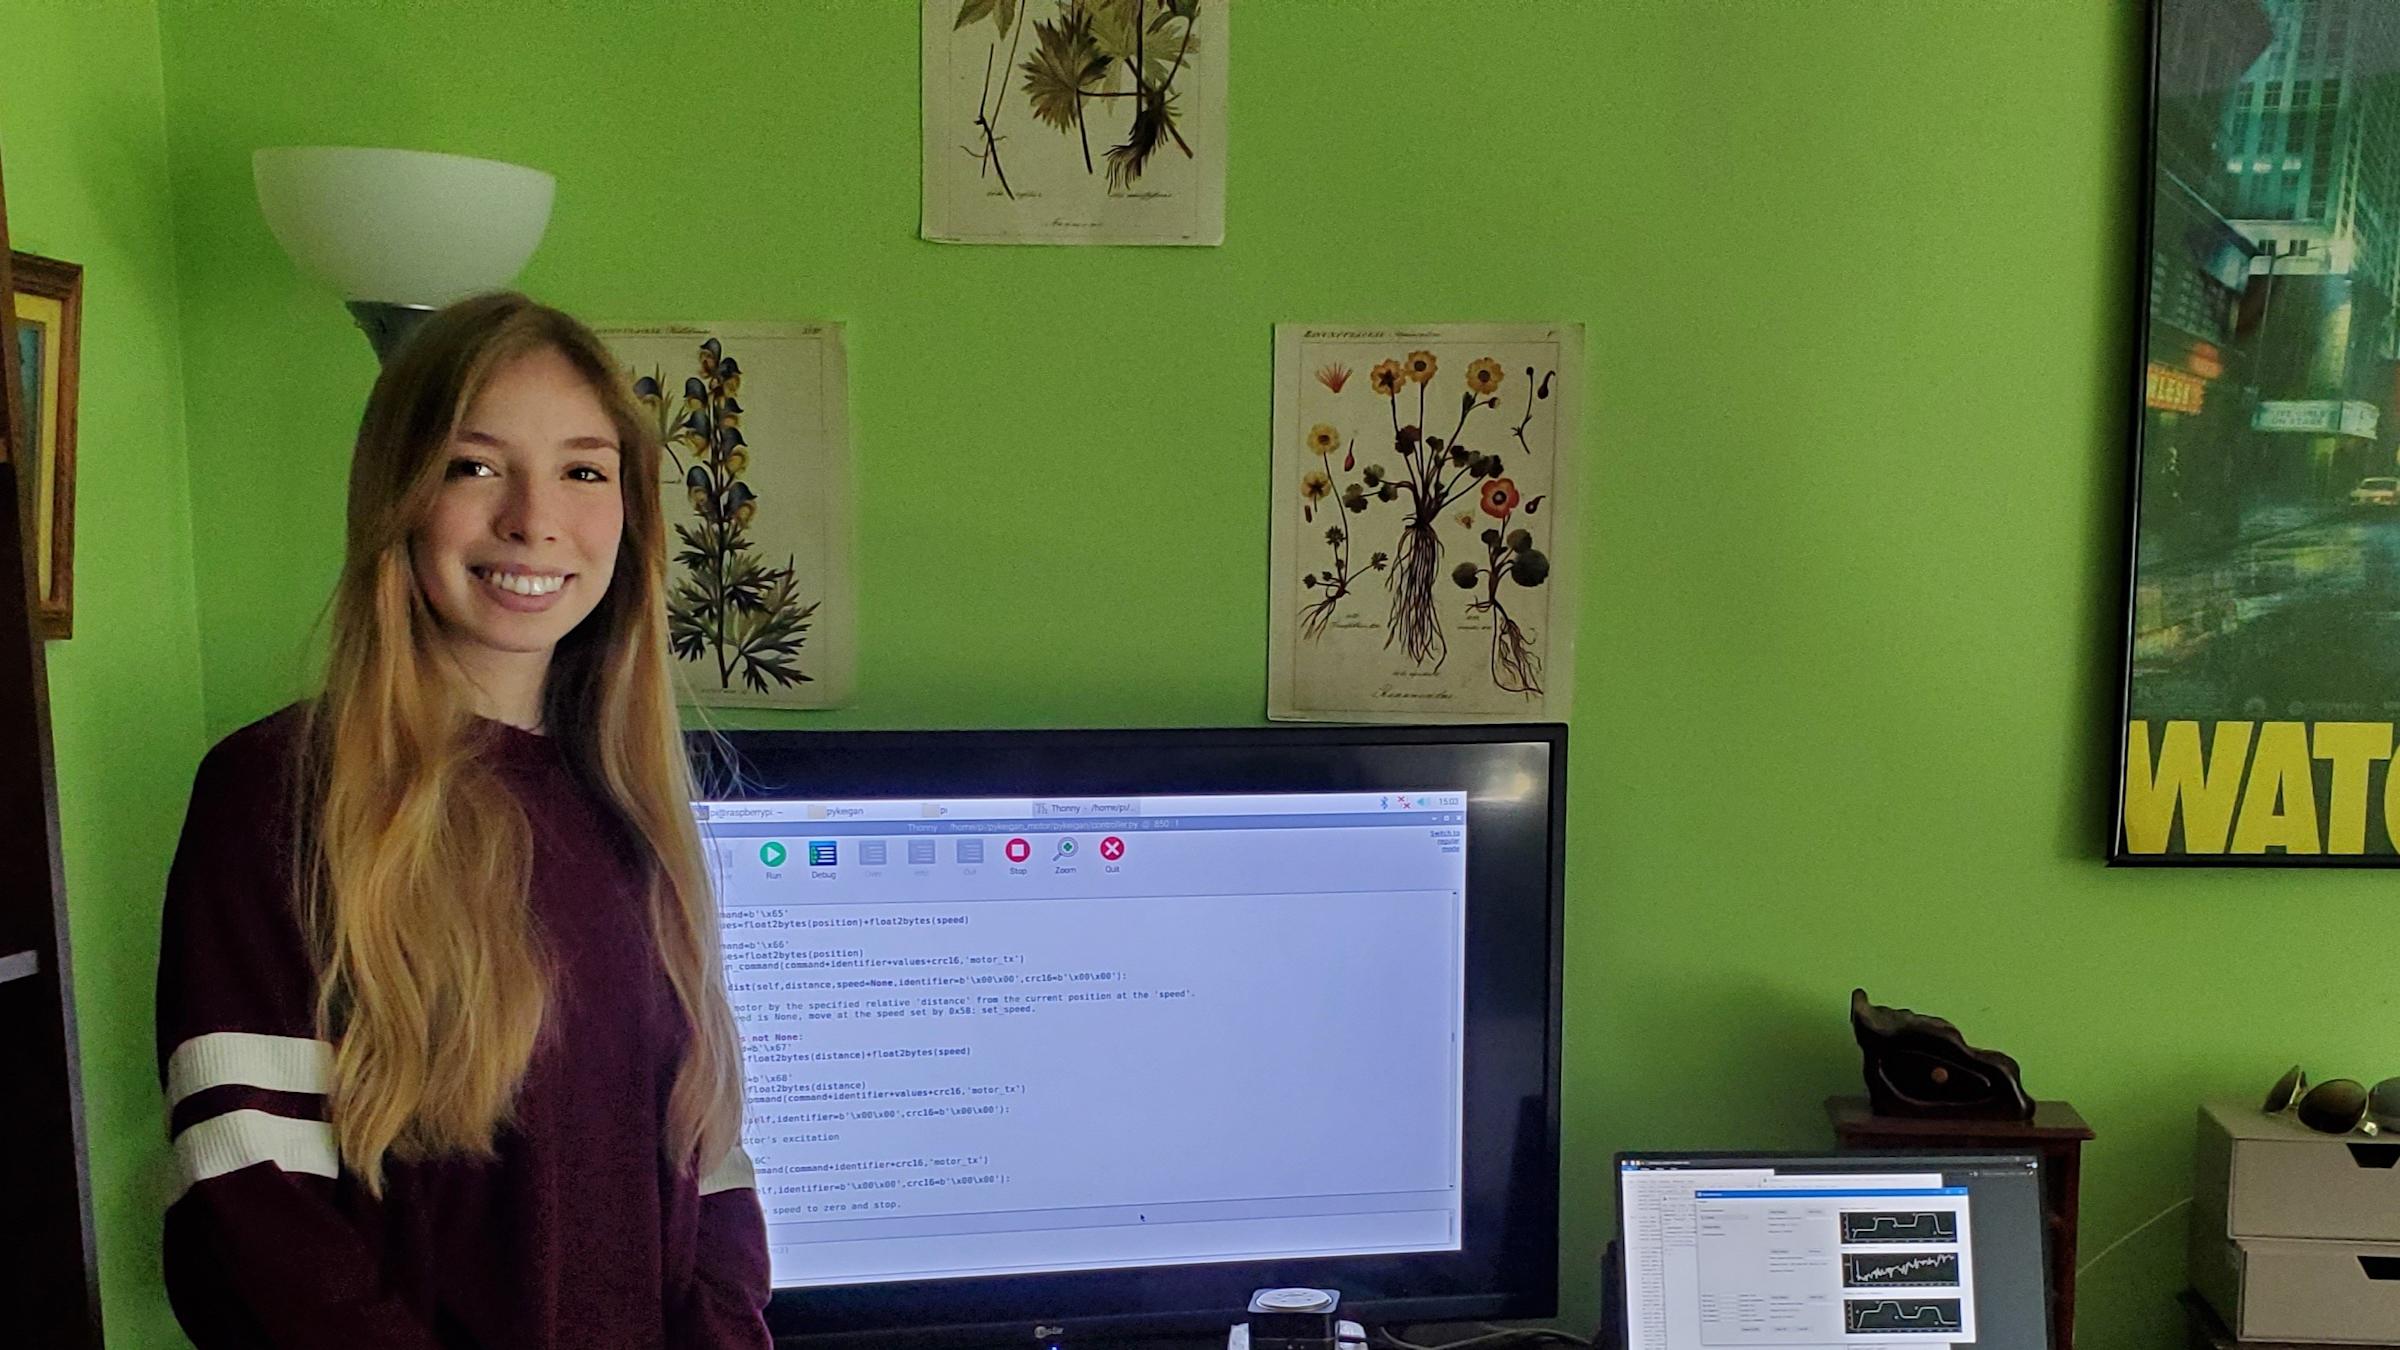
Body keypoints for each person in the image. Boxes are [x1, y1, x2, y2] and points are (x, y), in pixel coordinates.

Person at [155, 293, 770, 1349]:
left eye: (583, 471)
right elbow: (252, 1216)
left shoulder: (631, 809)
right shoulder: (279, 791)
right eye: (475, 465)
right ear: (398, 494)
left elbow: (706, 1170)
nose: (534, 520)